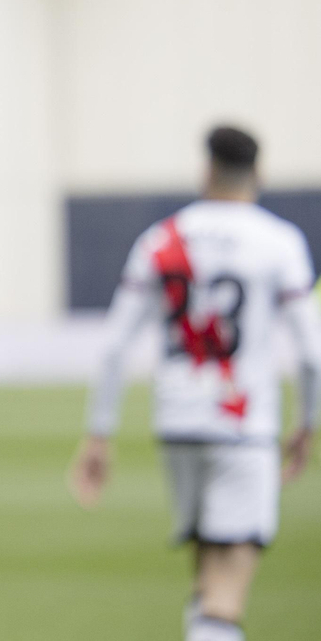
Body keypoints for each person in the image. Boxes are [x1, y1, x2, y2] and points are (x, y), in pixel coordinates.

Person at [71, 126, 321, 641]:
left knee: (207, 576)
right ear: (258, 173)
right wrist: (308, 422)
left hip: (177, 420)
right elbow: (311, 354)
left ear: (206, 170)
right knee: (226, 592)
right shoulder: (278, 241)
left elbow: (115, 345)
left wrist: (99, 433)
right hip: (242, 423)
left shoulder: (163, 238)